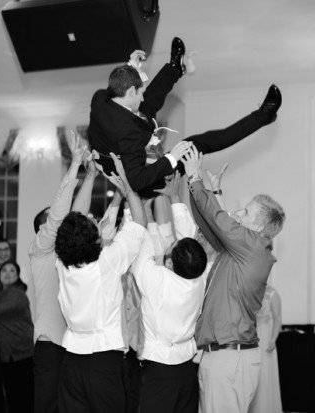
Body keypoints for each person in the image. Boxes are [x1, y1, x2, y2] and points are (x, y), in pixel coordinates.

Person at [88, 39, 282, 197]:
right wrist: (172, 157)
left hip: (119, 142)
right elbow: (137, 181)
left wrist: (131, 67)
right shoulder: (129, 134)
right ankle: (264, 116)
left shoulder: (101, 98)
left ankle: (176, 67)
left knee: (148, 103)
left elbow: (122, 86)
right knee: (199, 143)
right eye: (138, 92)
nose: (141, 95)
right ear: (130, 91)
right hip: (149, 180)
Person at [182, 148, 285, 413]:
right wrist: (212, 193)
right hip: (227, 357)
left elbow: (220, 221)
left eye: (247, 212)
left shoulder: (251, 247)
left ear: (259, 228)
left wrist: (195, 178)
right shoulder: (244, 249)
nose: (239, 212)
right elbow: (212, 225)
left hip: (229, 358)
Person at [55, 153, 147, 413]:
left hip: (71, 360)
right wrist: (128, 186)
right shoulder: (106, 263)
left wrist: (92, 175)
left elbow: (72, 219)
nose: (95, 219)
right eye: (94, 222)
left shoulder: (63, 263)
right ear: (93, 240)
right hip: (103, 361)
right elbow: (139, 224)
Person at [29, 134, 88, 413]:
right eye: (52, 218)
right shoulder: (40, 250)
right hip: (51, 346)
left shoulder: (68, 250)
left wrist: (92, 176)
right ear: (42, 228)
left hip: (75, 344)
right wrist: (75, 164)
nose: (59, 220)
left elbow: (74, 216)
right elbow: (61, 216)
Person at [132, 229, 208, 413]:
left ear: (170, 263)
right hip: (187, 368)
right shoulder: (199, 281)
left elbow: (143, 250)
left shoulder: (157, 279)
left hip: (159, 369)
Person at [0, 260, 34, 413]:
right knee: (13, 398)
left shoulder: (16, 294)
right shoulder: (2, 295)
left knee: (20, 398)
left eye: (12, 270)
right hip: (9, 355)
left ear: (18, 276)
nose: (7, 273)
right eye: (3, 270)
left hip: (19, 355)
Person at [248, 285, 283, 413]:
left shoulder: (272, 293)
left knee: (264, 374)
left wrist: (273, 338)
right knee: (251, 374)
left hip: (265, 336)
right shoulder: (248, 290)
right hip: (249, 335)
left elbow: (278, 318)